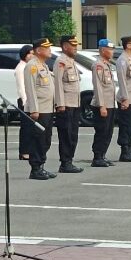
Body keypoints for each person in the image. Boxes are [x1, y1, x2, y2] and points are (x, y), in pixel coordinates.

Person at [24, 38, 57, 180]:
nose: (50, 50)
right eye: (47, 47)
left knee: (46, 140)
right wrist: (34, 109)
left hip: (48, 109)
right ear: (38, 50)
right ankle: (35, 169)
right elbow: (30, 89)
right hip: (39, 110)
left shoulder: (43, 65)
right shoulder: (32, 66)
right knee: (38, 139)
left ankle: (41, 166)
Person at [53, 35, 83, 173]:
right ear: (65, 46)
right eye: (73, 45)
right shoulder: (61, 61)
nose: (76, 47)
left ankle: (69, 160)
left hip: (74, 104)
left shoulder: (71, 61)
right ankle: (65, 162)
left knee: (73, 134)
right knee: (66, 135)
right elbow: (58, 83)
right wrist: (60, 103)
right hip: (66, 105)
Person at [90, 39, 117, 167]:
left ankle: (103, 155)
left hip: (110, 103)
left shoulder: (107, 65)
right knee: (101, 130)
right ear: (102, 50)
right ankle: (97, 157)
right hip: (102, 104)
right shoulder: (98, 65)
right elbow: (98, 86)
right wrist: (102, 105)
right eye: (110, 49)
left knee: (108, 131)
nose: (112, 52)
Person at [15, 45, 32, 161]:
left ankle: (29, 150)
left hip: (30, 100)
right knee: (26, 128)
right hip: (24, 100)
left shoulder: (28, 66)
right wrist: (25, 101)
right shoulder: (21, 68)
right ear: (25, 55)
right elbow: (21, 87)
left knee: (31, 128)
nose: (32, 55)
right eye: (30, 53)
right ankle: (24, 152)